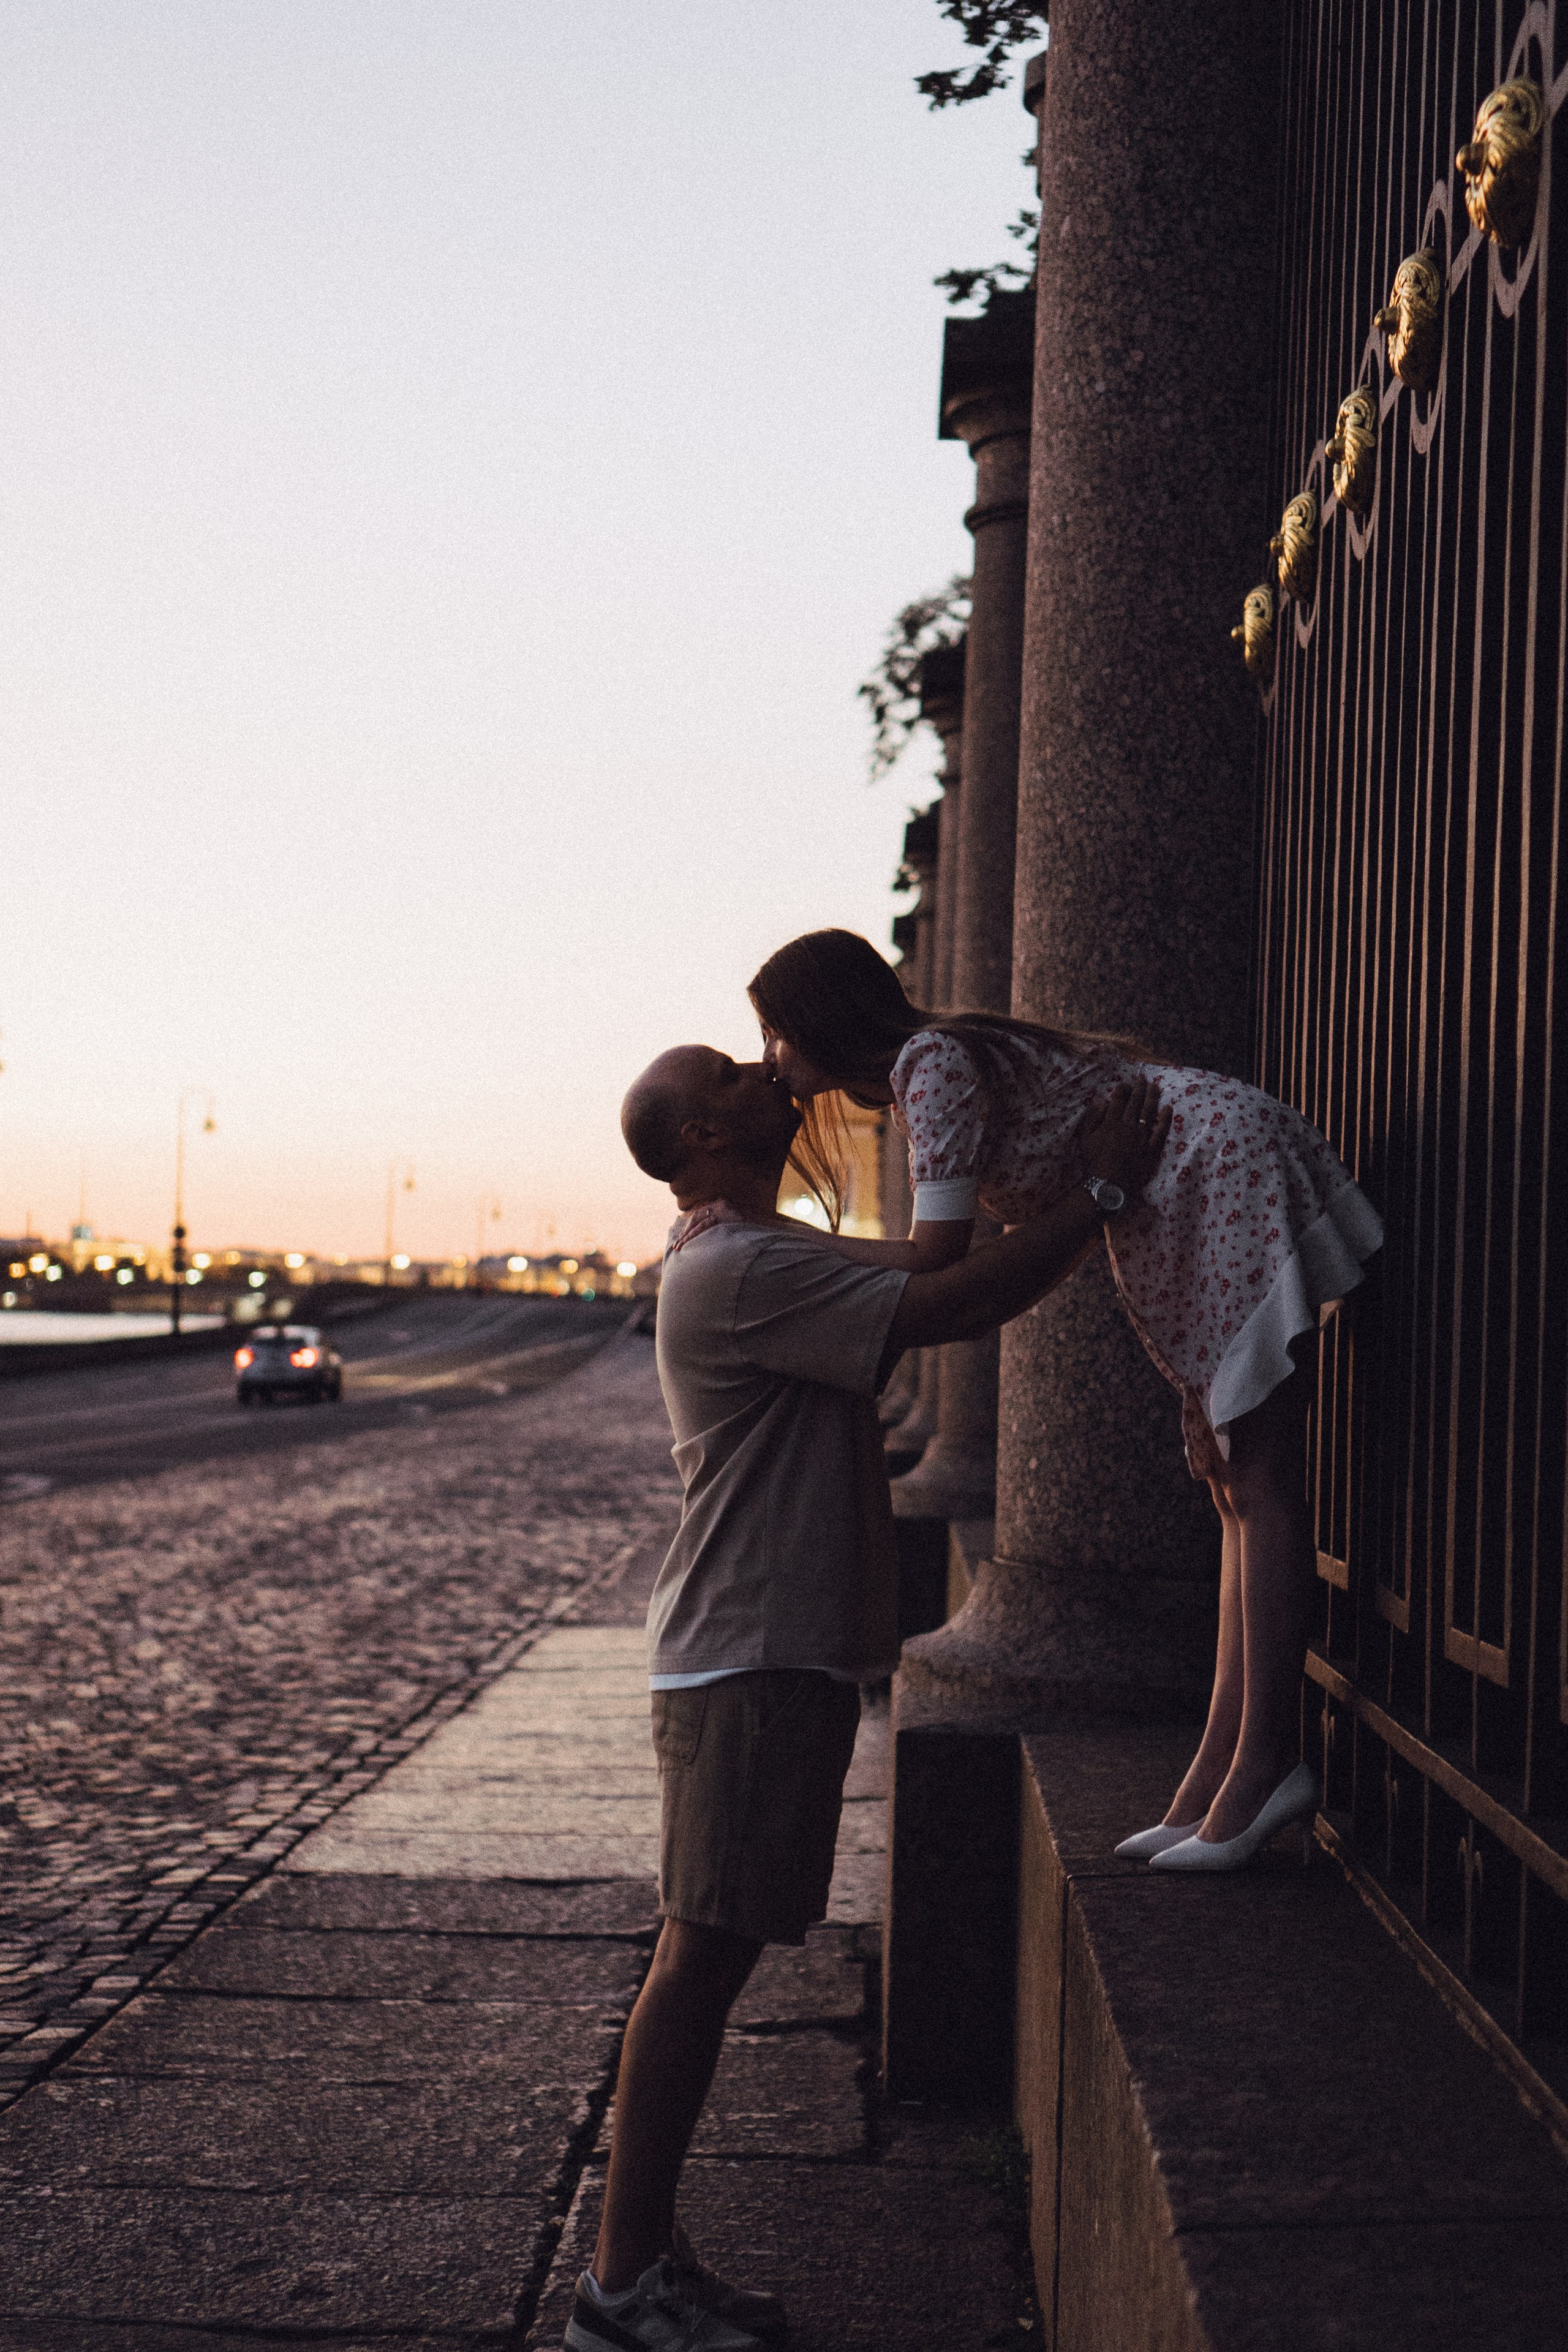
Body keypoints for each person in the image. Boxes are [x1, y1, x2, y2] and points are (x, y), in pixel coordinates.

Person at [564, 1043, 1169, 2352]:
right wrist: (1101, 1196)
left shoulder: (762, 1250)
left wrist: (1010, 1180)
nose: (755, 1068)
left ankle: (646, 2264)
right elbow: (950, 1308)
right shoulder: (739, 1268)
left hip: (765, 1650)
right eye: (726, 1072)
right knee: (698, 1961)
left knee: (702, 1957)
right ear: (699, 1141)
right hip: (751, 1654)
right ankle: (618, 2295)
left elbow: (928, 1266)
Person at [747, 927, 1385, 1874]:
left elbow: (938, 1258)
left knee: (1257, 1478)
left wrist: (776, 1247)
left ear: (821, 1019)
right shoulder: (932, 1063)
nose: (771, 1059)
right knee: (1232, 1486)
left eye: (775, 1034)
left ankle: (1265, 1764)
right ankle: (1219, 1770)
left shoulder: (928, 1064)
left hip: (1209, 1168)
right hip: (1187, 1180)